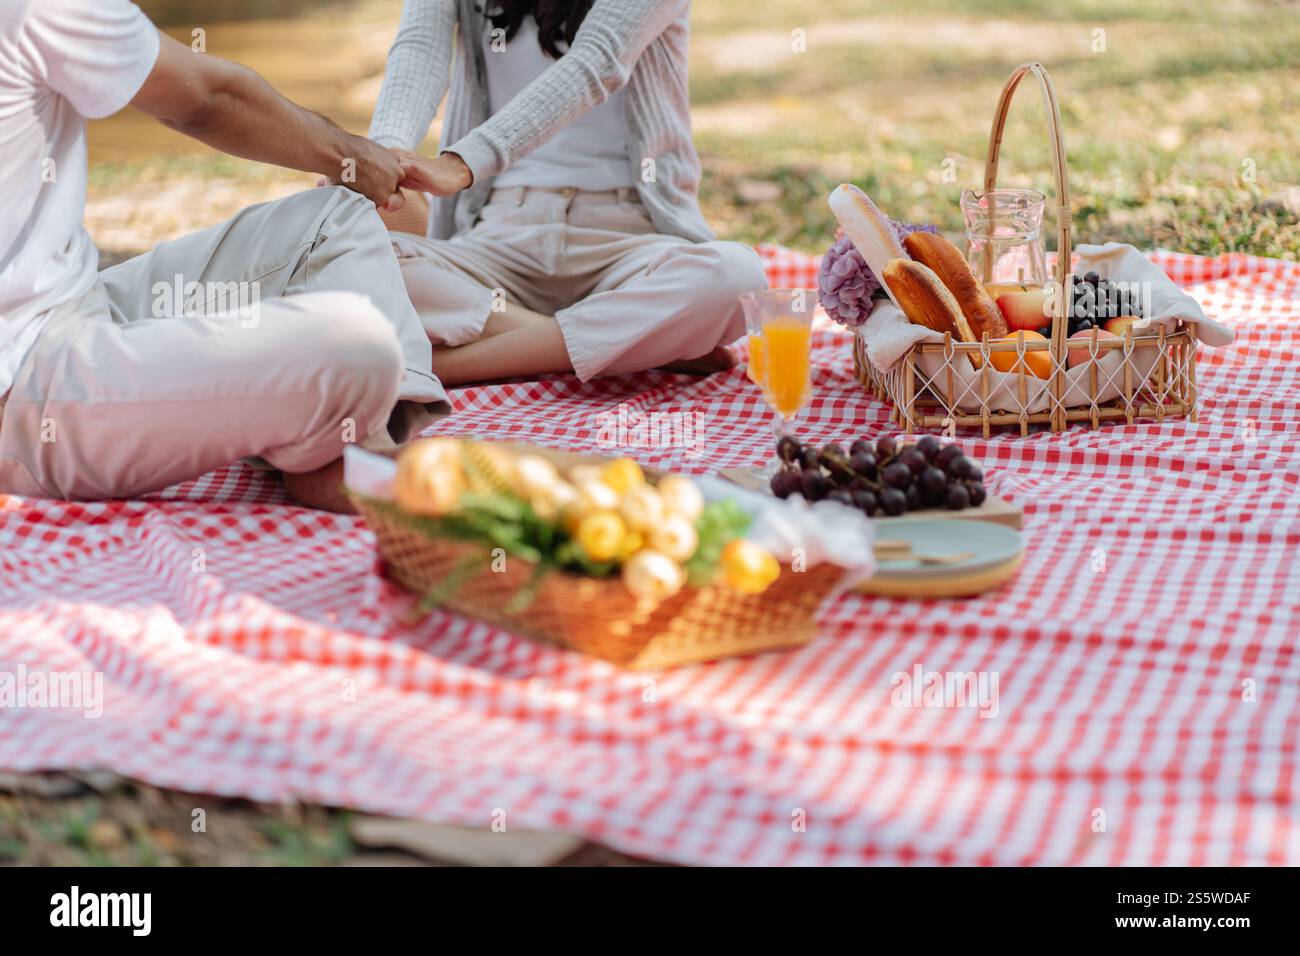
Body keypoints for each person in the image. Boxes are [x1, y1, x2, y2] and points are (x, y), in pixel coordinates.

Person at [0, 0, 449, 509]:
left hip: (77, 307)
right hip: (30, 392)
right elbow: (206, 98)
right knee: (358, 340)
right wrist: (353, 155)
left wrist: (352, 163)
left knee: (333, 219)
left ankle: (361, 442)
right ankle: (345, 452)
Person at [368, 0, 769, 386]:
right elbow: (419, 46)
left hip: (628, 239)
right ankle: (626, 341)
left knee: (735, 277)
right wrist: (383, 156)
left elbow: (596, 60)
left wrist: (463, 163)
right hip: (499, 239)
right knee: (331, 252)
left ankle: (453, 367)